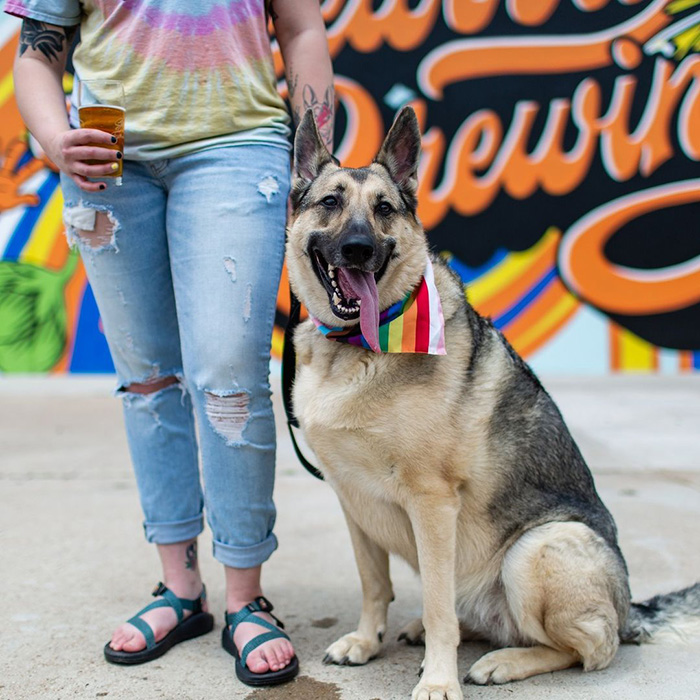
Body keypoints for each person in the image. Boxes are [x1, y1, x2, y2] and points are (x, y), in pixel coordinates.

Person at [7, 0, 334, 687]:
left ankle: (246, 596)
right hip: (106, 149)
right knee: (147, 378)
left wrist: (316, 162)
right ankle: (180, 589)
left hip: (236, 148)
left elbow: (302, 28)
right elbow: (39, 50)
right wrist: (51, 138)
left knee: (228, 374)